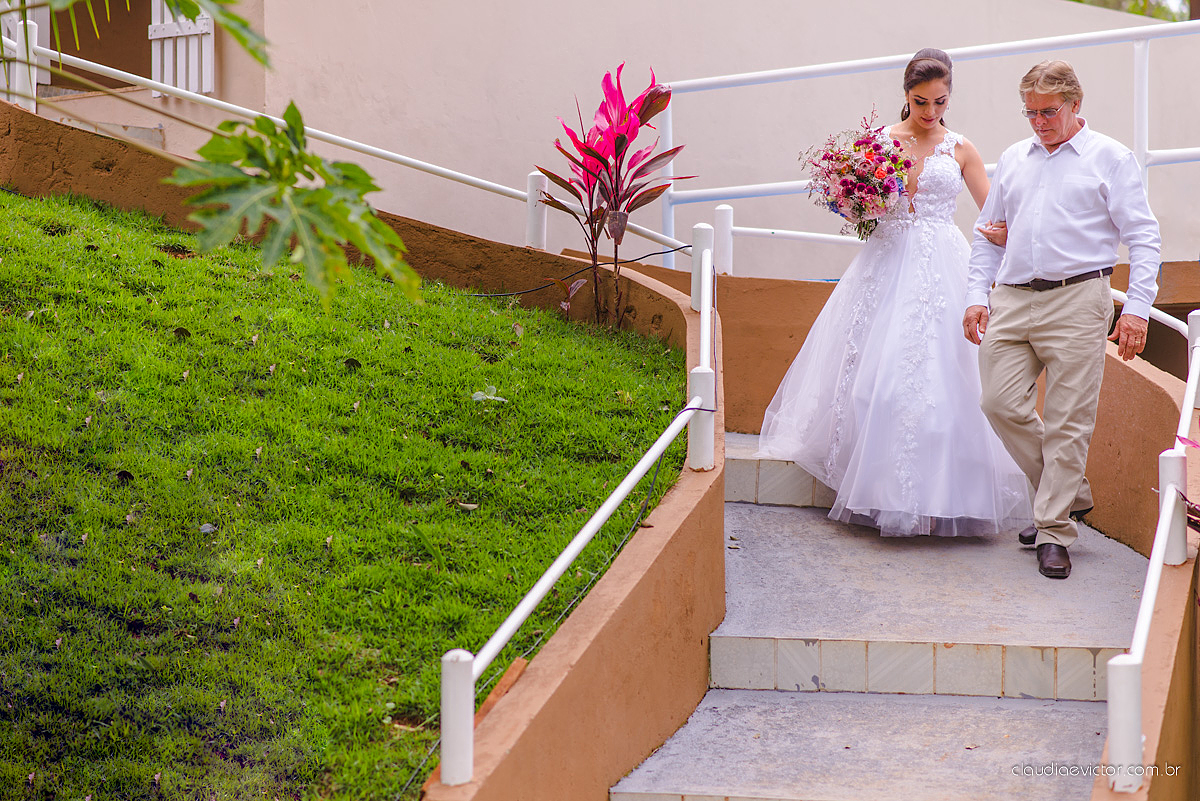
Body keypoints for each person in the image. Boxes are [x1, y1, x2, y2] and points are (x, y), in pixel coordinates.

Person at [757, 48, 1033, 538]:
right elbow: (853, 208)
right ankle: (882, 491)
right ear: (906, 94)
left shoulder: (961, 149)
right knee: (876, 384)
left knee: (952, 385)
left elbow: (993, 214)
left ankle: (949, 497)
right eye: (921, 101)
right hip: (886, 263)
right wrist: (854, 199)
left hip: (945, 264)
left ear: (950, 97)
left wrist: (1013, 245)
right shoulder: (876, 144)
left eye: (940, 101)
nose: (930, 112)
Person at [963, 60, 1160, 579]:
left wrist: (1137, 309)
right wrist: (974, 296)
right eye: (1030, 113)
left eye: (1049, 111)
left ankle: (1053, 529)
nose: (1039, 121)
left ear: (1075, 104)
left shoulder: (1111, 158)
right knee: (998, 401)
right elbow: (988, 232)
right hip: (1012, 295)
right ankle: (1070, 492)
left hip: (1078, 299)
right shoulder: (1014, 158)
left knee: (1070, 419)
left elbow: (1144, 237)